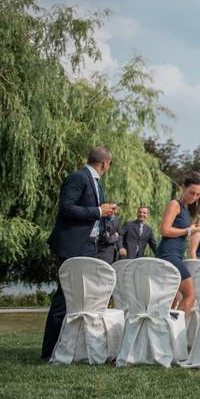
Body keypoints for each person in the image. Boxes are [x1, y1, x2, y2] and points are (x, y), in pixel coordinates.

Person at [41, 146, 119, 360]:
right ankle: (49, 352)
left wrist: (105, 215)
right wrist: (98, 211)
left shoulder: (95, 182)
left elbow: (92, 214)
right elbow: (66, 208)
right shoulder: (78, 178)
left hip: (89, 246)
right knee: (65, 298)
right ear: (105, 163)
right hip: (72, 247)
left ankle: (77, 349)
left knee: (85, 299)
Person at [157, 171, 200, 313]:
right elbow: (164, 230)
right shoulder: (175, 204)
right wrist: (188, 231)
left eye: (198, 195)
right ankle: (179, 332)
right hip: (168, 254)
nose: (194, 197)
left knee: (173, 299)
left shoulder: (187, 210)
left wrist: (193, 231)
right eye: (192, 193)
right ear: (182, 188)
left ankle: (168, 331)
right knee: (190, 294)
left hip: (177, 255)